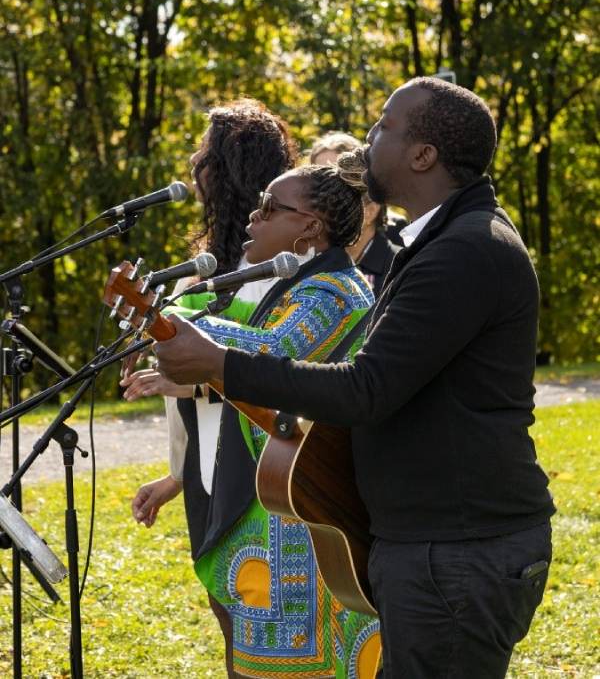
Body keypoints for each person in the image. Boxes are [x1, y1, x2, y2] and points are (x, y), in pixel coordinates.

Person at [153, 77, 556, 678]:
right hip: (434, 544)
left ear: (424, 156)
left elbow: (364, 389)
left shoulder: (466, 250)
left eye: (384, 126)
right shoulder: (436, 242)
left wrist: (219, 364)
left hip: (458, 550)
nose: (367, 139)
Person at [125, 163, 382, 678]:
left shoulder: (335, 292)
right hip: (286, 504)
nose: (253, 216)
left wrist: (168, 322)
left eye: (270, 207)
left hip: (312, 510)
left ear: (310, 226)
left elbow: (274, 353)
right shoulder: (295, 290)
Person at [121, 99, 298, 677]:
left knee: (263, 616)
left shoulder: (278, 262)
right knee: (227, 609)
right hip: (204, 464)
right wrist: (175, 475)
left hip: (258, 465)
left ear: (228, 167)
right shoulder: (204, 266)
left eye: (205, 153)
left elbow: (266, 366)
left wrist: (180, 379)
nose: (195, 163)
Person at [309, 132, 400, 296]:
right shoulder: (304, 259)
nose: (320, 199)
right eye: (316, 181)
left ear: (372, 207)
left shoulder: (399, 267)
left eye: (337, 183)